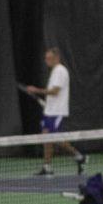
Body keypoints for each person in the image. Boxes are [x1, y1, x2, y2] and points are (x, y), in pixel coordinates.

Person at [20, 46, 75, 175]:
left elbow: (55, 92)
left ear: (57, 58)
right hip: (49, 111)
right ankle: (47, 166)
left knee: (56, 138)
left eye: (49, 58)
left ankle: (79, 156)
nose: (46, 61)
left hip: (57, 112)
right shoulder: (54, 71)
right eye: (45, 58)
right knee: (46, 137)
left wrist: (36, 90)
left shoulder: (60, 71)